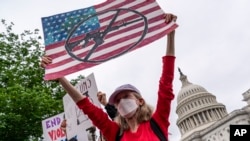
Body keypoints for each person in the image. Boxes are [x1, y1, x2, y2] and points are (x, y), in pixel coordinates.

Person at [41, 13, 177, 141]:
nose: (121, 102)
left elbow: (166, 83)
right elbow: (86, 106)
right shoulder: (116, 133)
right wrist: (60, 77)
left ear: (140, 101)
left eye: (125, 97)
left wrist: (170, 34)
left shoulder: (157, 122)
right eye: (117, 101)